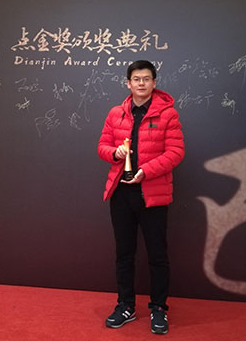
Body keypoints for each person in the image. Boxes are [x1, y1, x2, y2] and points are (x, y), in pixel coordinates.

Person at [97, 60, 185, 335]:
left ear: (154, 83)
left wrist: (145, 172)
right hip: (121, 193)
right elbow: (102, 146)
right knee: (124, 253)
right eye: (136, 79)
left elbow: (176, 153)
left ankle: (159, 308)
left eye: (147, 79)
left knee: (157, 254)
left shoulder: (168, 114)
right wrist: (115, 153)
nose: (141, 83)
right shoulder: (116, 113)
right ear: (128, 83)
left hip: (152, 194)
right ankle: (126, 305)